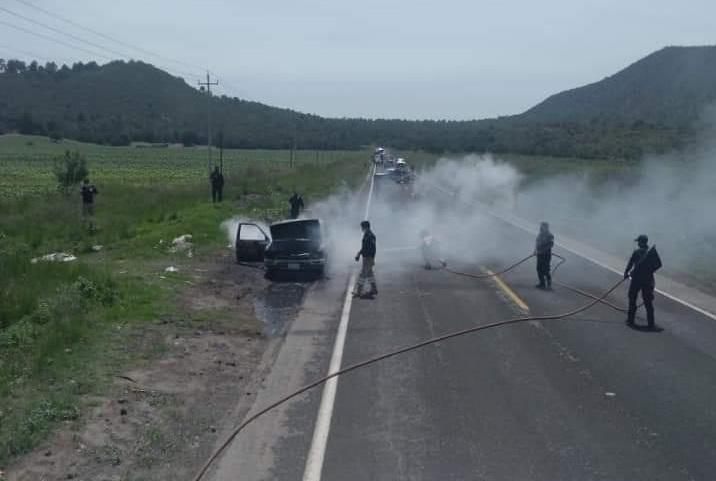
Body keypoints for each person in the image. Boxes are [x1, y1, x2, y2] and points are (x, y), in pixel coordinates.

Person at [624, 234, 661, 329]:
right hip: (648, 280)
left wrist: (626, 273)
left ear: (641, 242)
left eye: (638, 242)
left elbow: (630, 263)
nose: (638, 244)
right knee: (648, 302)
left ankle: (630, 320)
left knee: (632, 298)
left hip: (637, 279)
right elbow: (657, 265)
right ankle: (651, 323)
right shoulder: (651, 253)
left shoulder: (637, 252)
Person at [354, 220, 378, 299]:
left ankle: (358, 292)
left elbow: (373, 249)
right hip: (366, 258)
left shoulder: (370, 236)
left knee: (362, 275)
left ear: (365, 227)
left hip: (368, 258)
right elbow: (364, 247)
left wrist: (372, 259)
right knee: (370, 274)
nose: (361, 229)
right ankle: (374, 289)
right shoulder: (367, 235)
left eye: (362, 227)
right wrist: (359, 253)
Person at [534, 221, 554, 289]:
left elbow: (550, 245)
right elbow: (537, 243)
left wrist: (542, 251)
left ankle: (549, 285)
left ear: (547, 227)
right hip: (539, 255)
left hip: (546, 255)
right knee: (539, 269)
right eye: (541, 226)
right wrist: (535, 251)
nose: (542, 227)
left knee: (546, 270)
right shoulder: (540, 234)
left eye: (543, 226)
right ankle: (542, 283)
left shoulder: (550, 235)